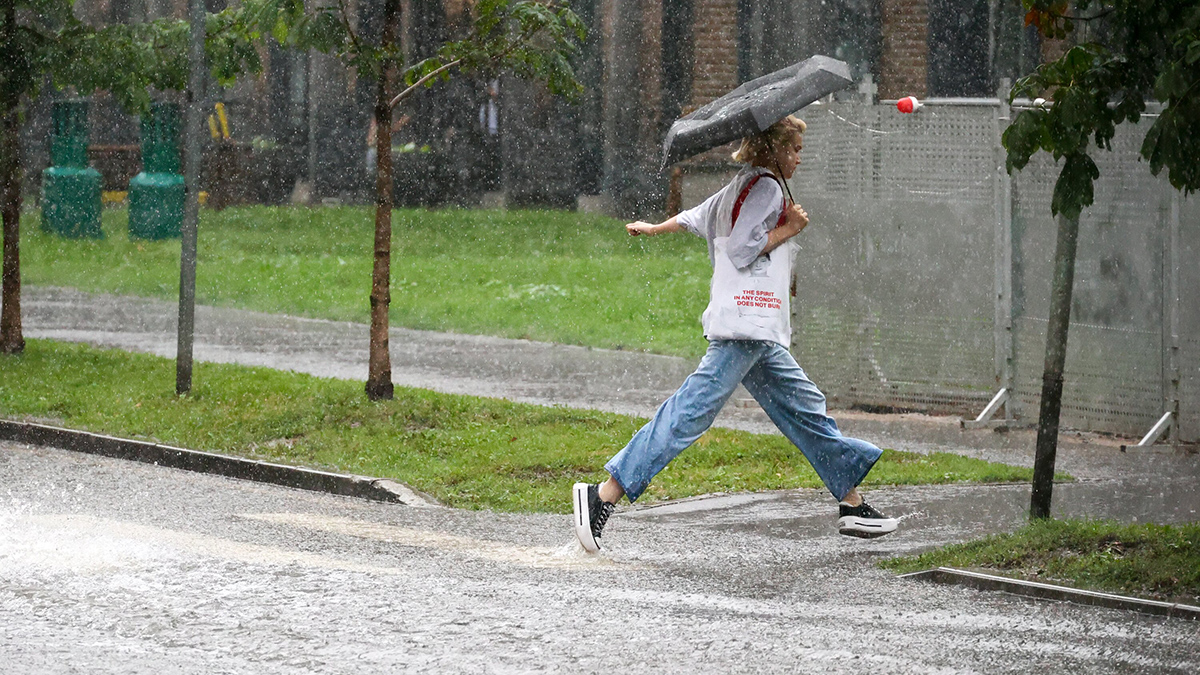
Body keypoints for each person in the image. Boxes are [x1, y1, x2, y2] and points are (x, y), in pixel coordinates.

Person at [572, 115, 899, 552]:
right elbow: (744, 249)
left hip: (756, 332)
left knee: (806, 410)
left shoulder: (743, 185)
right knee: (690, 412)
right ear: (773, 149)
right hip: (746, 327)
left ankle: (851, 504)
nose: (800, 157)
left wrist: (655, 227)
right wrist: (790, 228)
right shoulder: (764, 188)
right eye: (795, 149)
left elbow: (695, 217)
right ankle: (602, 495)